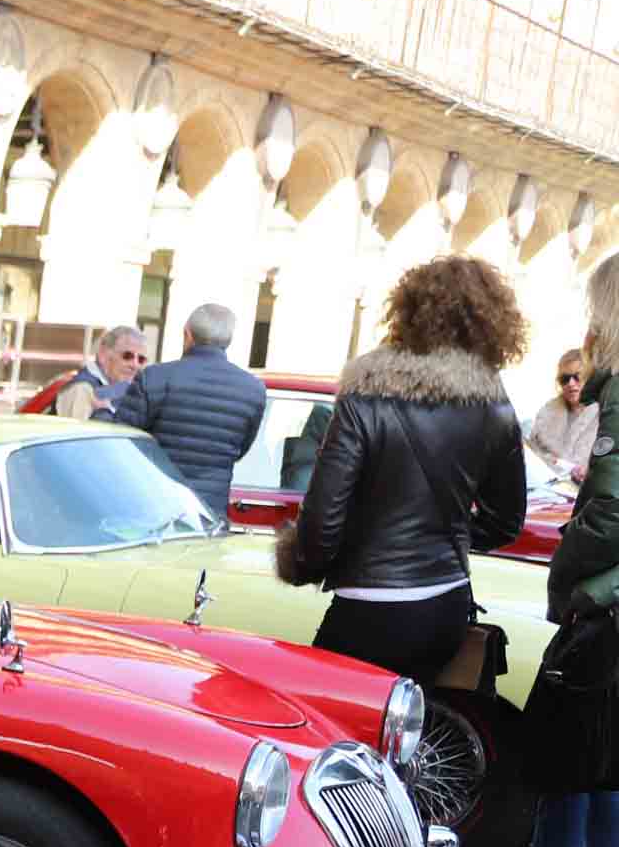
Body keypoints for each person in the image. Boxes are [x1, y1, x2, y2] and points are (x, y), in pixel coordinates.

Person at [463, 257, 619, 847]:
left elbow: (613, 509)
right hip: (607, 606)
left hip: (609, 609)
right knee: (572, 763)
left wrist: (568, 571)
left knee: (603, 772)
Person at [274, 256, 527, 682]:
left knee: (329, 728)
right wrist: (444, 539)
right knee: (408, 728)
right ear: (491, 323)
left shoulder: (365, 398)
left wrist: (303, 564)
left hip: (368, 602)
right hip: (446, 600)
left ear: (407, 312)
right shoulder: (494, 407)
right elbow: (505, 522)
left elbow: (323, 517)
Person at [106, 304, 267, 518]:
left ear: (187, 334)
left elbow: (120, 441)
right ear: (228, 341)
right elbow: (239, 450)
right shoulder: (253, 389)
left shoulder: (154, 377)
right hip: (209, 513)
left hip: (152, 508)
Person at [526, 347, 597, 490]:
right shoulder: (546, 413)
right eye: (565, 379)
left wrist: (590, 473)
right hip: (550, 495)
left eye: (577, 376)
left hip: (592, 497)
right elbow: (532, 457)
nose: (571, 383)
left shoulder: (607, 412)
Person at [71, 326, 149, 413]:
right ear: (103, 354)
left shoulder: (131, 392)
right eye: (127, 356)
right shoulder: (82, 388)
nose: (135, 365)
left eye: (141, 359)